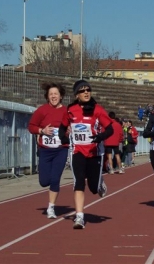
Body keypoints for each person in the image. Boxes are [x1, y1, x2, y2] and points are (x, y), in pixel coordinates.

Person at [59, 80, 113, 229]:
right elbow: (62, 128)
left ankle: (99, 182)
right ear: (77, 95)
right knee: (79, 183)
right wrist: (64, 138)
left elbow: (110, 129)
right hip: (77, 151)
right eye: (82, 91)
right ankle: (79, 217)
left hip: (95, 152)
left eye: (88, 90)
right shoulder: (70, 110)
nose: (86, 92)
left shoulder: (98, 110)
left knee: (94, 188)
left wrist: (100, 137)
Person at [28, 82, 69, 219]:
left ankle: (51, 207)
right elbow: (31, 126)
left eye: (55, 94)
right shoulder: (42, 110)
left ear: (61, 96)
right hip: (45, 150)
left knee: (55, 178)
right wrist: (42, 130)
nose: (53, 96)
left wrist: (68, 132)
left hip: (61, 150)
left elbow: (73, 127)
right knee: (44, 181)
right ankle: (50, 202)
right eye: (51, 94)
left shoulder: (66, 112)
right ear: (47, 96)